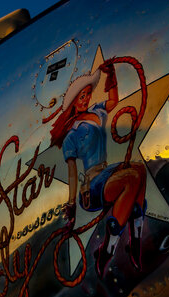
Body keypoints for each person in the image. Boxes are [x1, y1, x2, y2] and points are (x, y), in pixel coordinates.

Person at [48, 63, 147, 276]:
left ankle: (135, 237)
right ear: (74, 102)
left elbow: (113, 101)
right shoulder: (71, 135)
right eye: (81, 97)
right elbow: (73, 171)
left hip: (107, 171)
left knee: (140, 169)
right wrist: (72, 205)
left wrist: (111, 75)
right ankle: (109, 247)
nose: (85, 99)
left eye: (87, 95)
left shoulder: (97, 111)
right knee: (131, 178)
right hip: (91, 186)